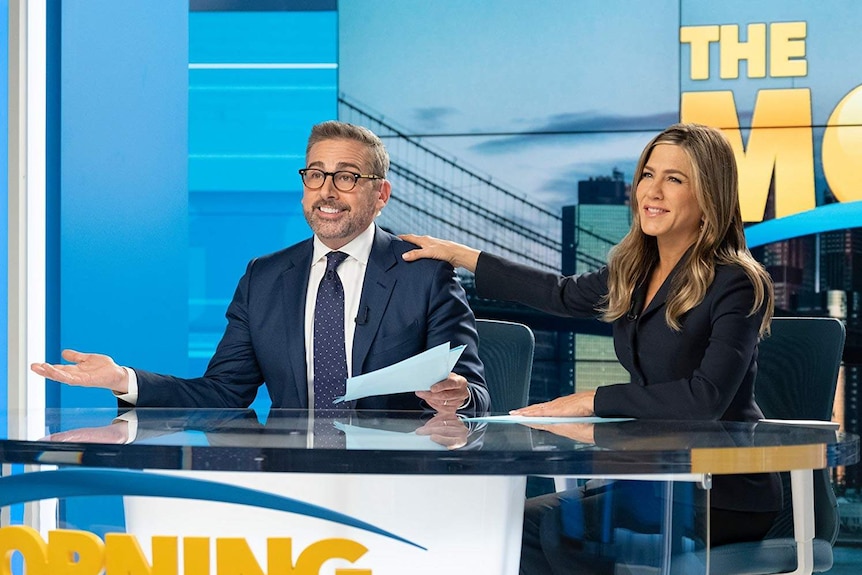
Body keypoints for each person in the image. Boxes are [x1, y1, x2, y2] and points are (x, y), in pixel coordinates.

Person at [400, 123, 780, 573]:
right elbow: (558, 293)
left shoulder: (736, 280)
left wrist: (591, 400)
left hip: (724, 492)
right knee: (512, 527)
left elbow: (705, 399)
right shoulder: (635, 270)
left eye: (674, 180)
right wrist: (458, 254)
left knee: (566, 535)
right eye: (647, 175)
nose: (652, 192)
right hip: (653, 482)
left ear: (709, 196)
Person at [31, 120, 490, 418]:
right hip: (292, 476)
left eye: (347, 177)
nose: (327, 191)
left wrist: (458, 395)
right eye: (315, 174)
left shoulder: (424, 274)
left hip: (399, 479)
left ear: (381, 195)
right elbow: (223, 393)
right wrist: (125, 380)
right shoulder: (264, 278)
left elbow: (478, 395)